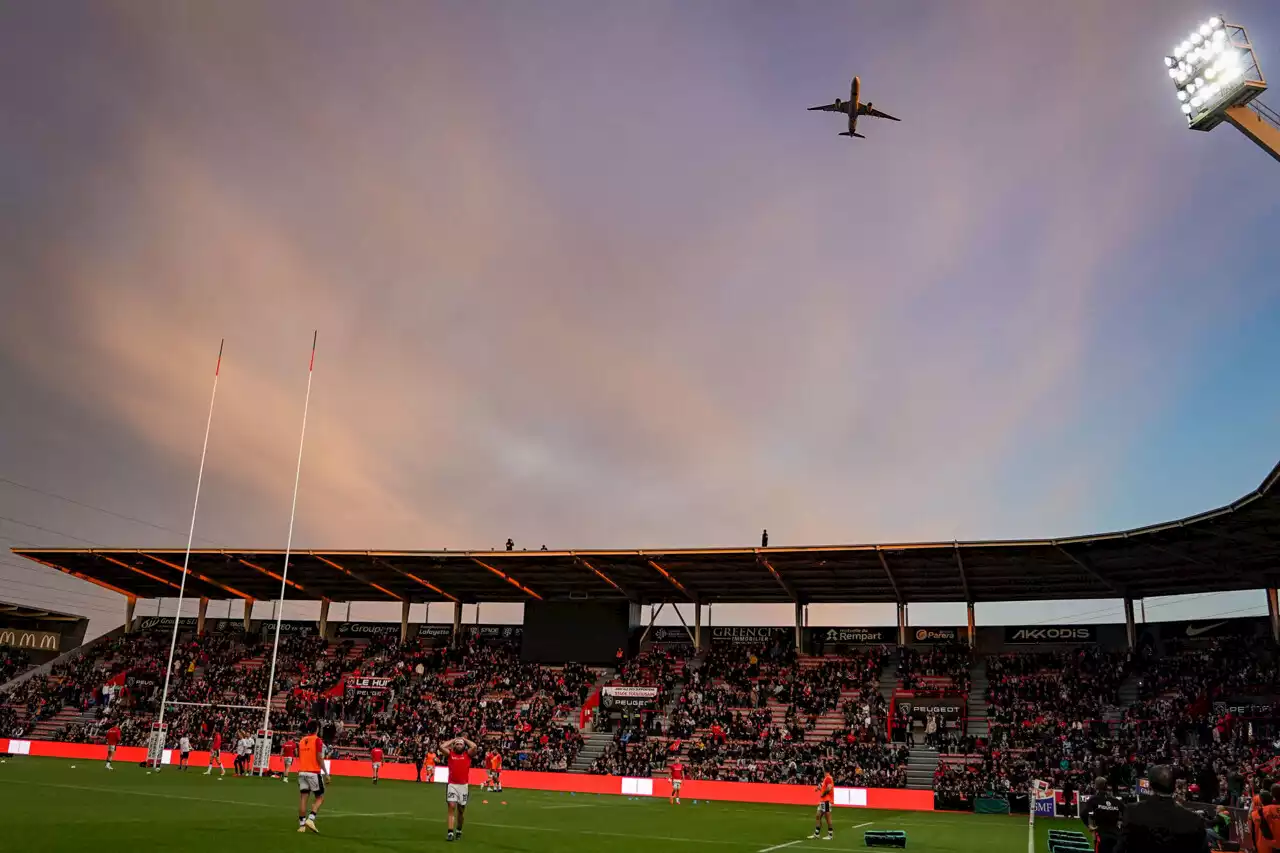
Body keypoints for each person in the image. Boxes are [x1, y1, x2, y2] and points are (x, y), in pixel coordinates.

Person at [1115, 765, 1209, 853]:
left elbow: (1121, 848)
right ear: (1174, 787)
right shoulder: (1195, 820)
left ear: (1150, 786)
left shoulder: (1132, 812)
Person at [294, 721, 327, 834]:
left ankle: (301, 825)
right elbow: (319, 758)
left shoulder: (302, 741)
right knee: (320, 798)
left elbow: (300, 756)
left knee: (303, 798)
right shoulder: (317, 740)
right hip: (313, 772)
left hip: (302, 772)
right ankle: (311, 819)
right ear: (317, 728)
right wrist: (326, 773)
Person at [446, 737, 478, 842]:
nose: (459, 745)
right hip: (452, 785)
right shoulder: (450, 754)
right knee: (451, 806)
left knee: (461, 810)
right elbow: (441, 746)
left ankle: (459, 830)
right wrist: (454, 739)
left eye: (461, 744)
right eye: (457, 744)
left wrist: (464, 739)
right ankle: (450, 832)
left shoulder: (467, 755)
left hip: (463, 786)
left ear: (464, 746)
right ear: (454, 746)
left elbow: (474, 746)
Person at [1082, 777, 1124, 853]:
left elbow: (1083, 814)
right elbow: (1127, 812)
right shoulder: (1115, 800)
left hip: (1101, 835)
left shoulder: (1093, 799)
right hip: (1116, 835)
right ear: (1106, 786)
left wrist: (1089, 826)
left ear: (1095, 786)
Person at [814, 768, 834, 840]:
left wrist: (823, 794)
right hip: (823, 801)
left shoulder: (828, 778)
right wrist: (818, 788)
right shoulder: (826, 778)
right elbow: (824, 787)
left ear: (825, 771)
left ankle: (830, 835)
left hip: (826, 801)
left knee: (827, 818)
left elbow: (829, 788)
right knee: (818, 816)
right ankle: (817, 834)